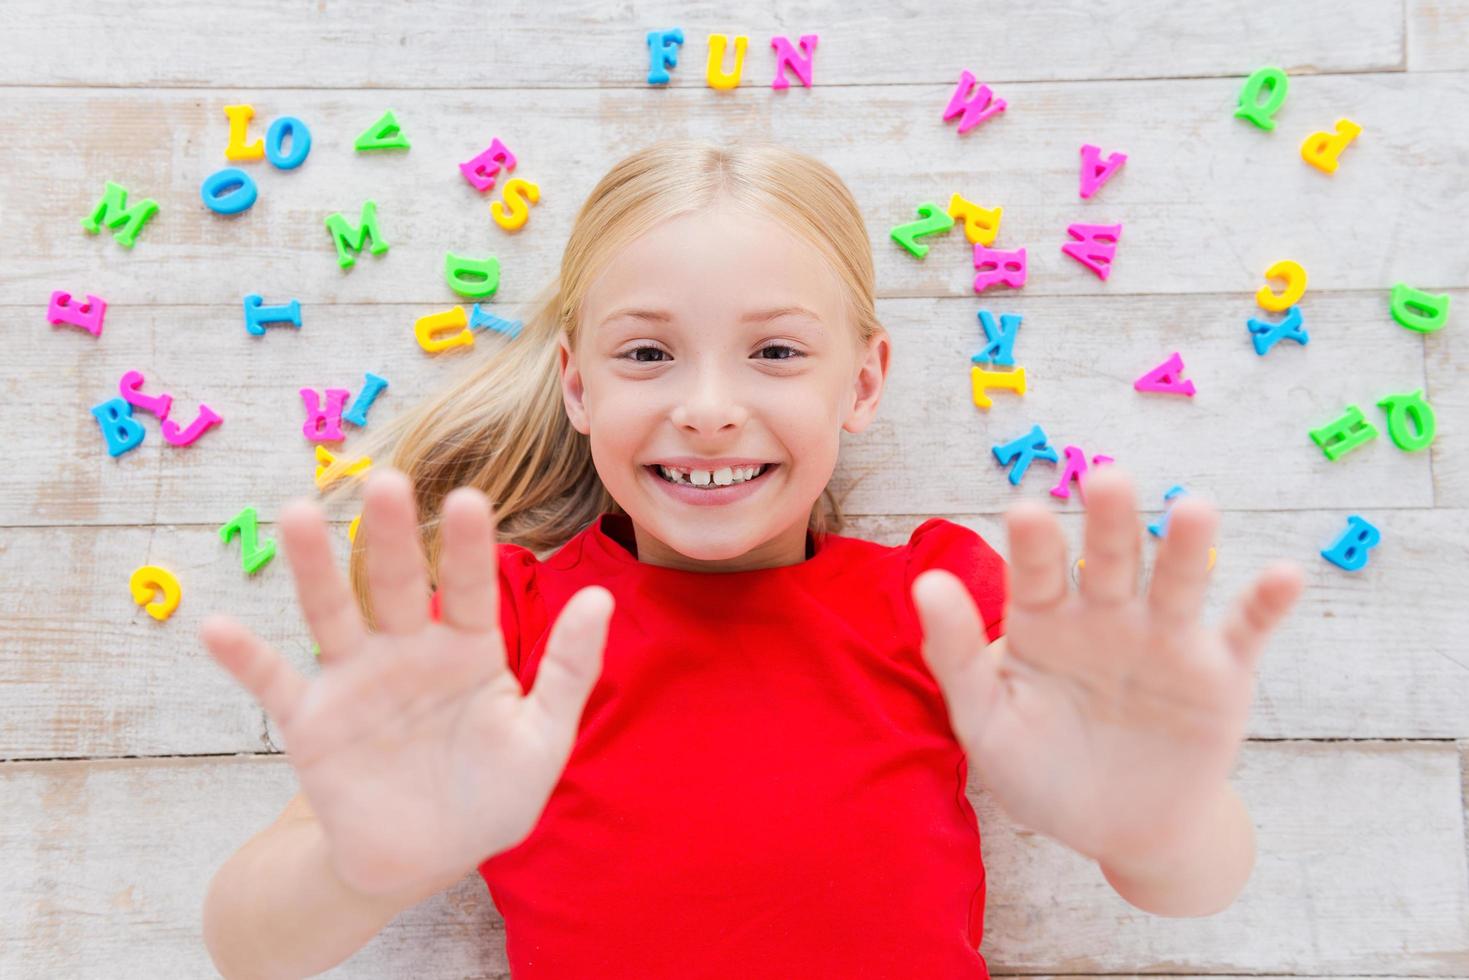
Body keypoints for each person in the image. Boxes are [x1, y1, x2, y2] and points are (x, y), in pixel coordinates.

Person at [199, 139, 1306, 978]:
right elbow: (247, 942)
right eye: (646, 354)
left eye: (775, 351)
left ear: (862, 383)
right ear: (579, 386)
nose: (711, 409)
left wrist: (1152, 819)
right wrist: (357, 866)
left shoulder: (939, 598)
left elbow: (1196, 884)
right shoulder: (501, 623)